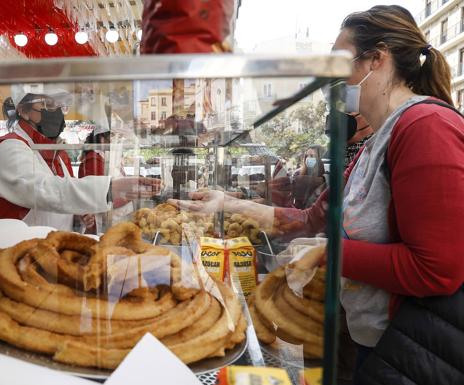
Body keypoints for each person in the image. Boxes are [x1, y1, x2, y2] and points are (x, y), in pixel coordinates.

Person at [173, 6, 464, 385]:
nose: (332, 79)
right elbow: (315, 219)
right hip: (370, 342)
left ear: (378, 59)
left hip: (412, 351)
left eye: (340, 63)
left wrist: (327, 254)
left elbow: (436, 270)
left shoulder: (427, 127)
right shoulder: (377, 140)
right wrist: (227, 203)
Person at [0, 84, 160, 228]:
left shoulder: (58, 154)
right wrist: (109, 189)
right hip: (3, 255)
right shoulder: (10, 147)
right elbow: (44, 191)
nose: (55, 112)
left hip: (45, 257)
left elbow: (60, 200)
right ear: (23, 110)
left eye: (59, 106)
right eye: (47, 104)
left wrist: (77, 217)